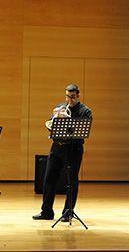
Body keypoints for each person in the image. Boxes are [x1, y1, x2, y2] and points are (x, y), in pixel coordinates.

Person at [33, 84, 92, 222]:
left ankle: (68, 212)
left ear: (78, 95)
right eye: (67, 96)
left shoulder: (85, 111)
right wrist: (55, 120)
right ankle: (46, 212)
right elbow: (51, 125)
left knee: (71, 181)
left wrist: (68, 121)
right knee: (49, 179)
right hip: (57, 148)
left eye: (72, 97)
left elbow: (83, 131)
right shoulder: (60, 107)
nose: (69, 100)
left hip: (73, 149)